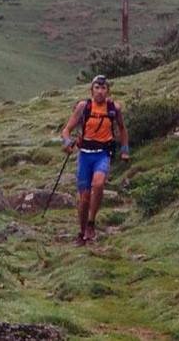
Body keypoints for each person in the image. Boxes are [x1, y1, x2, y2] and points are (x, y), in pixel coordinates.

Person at [61, 75, 130, 246]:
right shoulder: (83, 106)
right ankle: (82, 232)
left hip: (103, 154)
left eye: (103, 88)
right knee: (84, 199)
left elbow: (122, 128)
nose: (100, 91)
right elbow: (66, 130)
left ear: (108, 90)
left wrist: (125, 149)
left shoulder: (114, 108)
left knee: (98, 184)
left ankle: (91, 222)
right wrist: (67, 142)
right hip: (85, 155)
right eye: (97, 88)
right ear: (91, 90)